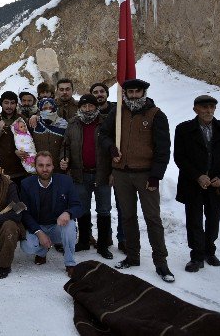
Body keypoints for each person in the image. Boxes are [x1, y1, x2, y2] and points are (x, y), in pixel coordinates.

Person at [99, 78, 175, 283]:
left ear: (144, 93)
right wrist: (111, 147)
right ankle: (132, 256)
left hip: (146, 174)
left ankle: (161, 262)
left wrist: (156, 175)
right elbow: (103, 134)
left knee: (152, 218)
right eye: (130, 92)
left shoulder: (156, 115)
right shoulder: (117, 112)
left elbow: (163, 149)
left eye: (137, 92)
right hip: (122, 173)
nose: (133, 96)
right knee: (127, 216)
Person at [174, 95, 220, 272]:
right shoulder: (184, 129)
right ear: (195, 109)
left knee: (213, 220)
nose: (209, 110)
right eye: (204, 107)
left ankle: (210, 251)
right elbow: (180, 158)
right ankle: (197, 256)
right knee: (194, 220)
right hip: (192, 183)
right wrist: (197, 176)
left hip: (217, 185)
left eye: (212, 107)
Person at [59, 94, 113, 259]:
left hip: (102, 173)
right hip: (80, 174)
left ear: (96, 107)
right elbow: (65, 145)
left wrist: (113, 171)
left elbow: (114, 146)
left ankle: (103, 245)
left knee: (104, 209)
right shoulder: (73, 123)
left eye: (91, 106)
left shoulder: (106, 122)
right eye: (84, 106)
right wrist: (63, 158)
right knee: (82, 209)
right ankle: (83, 241)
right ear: (80, 108)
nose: (88, 109)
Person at [20, 151, 82, 277]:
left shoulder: (65, 181)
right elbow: (25, 213)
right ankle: (42, 251)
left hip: (57, 227)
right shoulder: (26, 184)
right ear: (35, 167)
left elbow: (78, 206)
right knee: (26, 246)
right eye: (41, 165)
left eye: (48, 165)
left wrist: (68, 213)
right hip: (38, 226)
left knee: (70, 225)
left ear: (53, 166)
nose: (44, 169)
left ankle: (70, 263)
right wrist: (39, 232)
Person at [90, 82, 123, 251]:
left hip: (117, 165)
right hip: (97, 167)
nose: (99, 94)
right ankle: (104, 238)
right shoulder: (90, 114)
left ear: (107, 93)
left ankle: (122, 240)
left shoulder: (118, 111)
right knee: (103, 206)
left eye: (102, 91)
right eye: (95, 92)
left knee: (121, 205)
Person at [0, 91, 27, 182]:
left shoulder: (22, 119)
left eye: (12, 103)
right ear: (1, 104)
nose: (9, 106)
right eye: (6, 103)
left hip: (20, 171)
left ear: (16, 104)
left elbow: (29, 143)